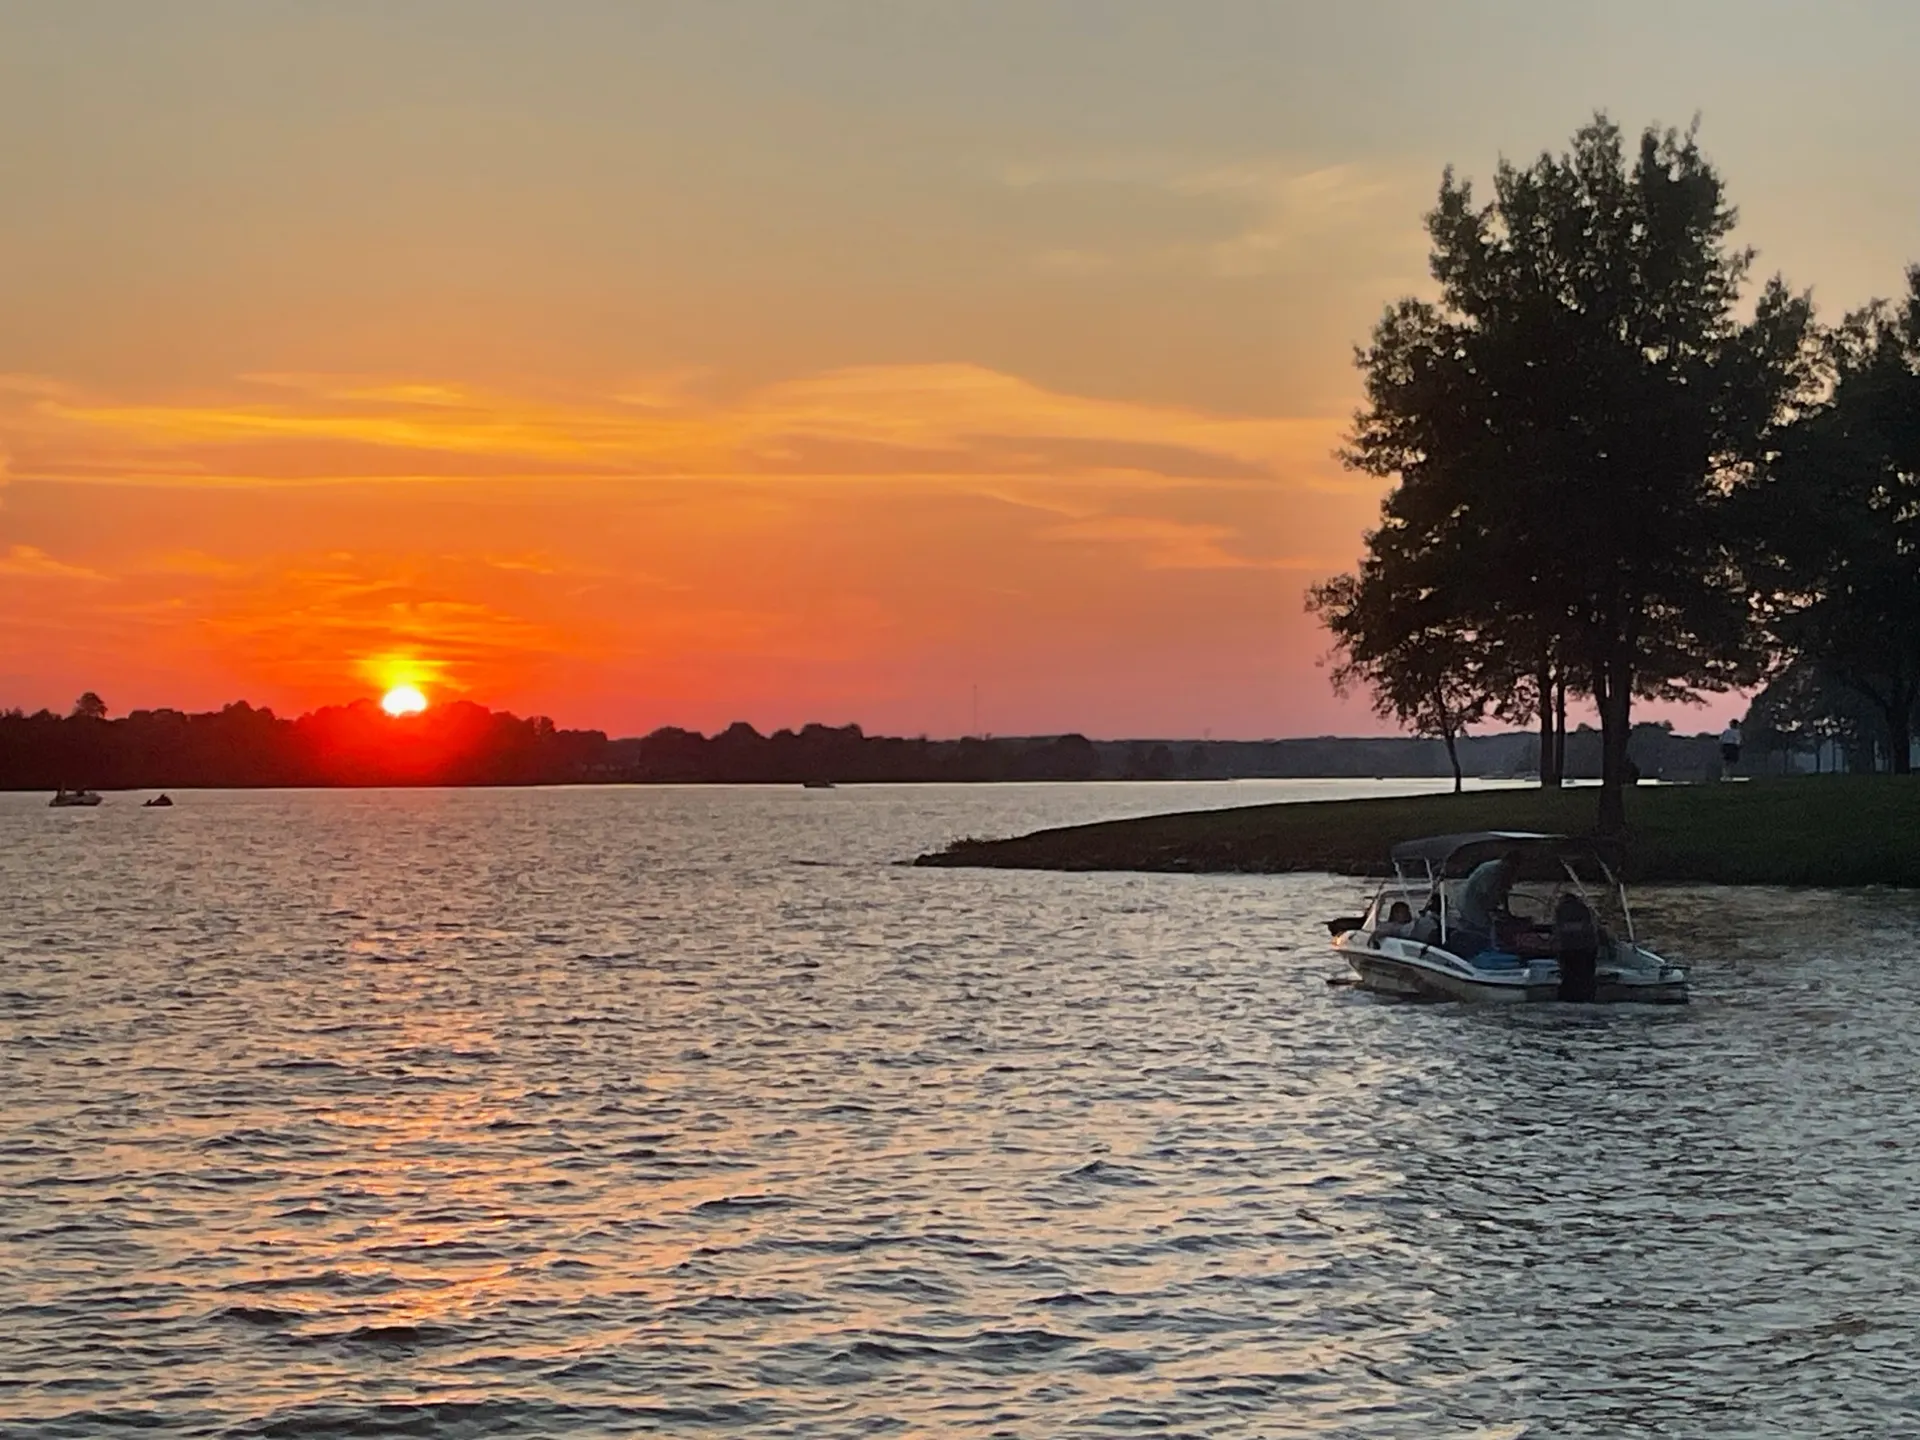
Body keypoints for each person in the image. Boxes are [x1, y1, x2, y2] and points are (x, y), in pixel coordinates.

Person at [1450, 852, 1519, 955]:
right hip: (1471, 902)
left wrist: (1507, 913)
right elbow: (1491, 892)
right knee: (1485, 927)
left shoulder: (1504, 870)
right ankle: (1488, 951)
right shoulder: (1494, 871)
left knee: (1487, 923)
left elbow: (1504, 892)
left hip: (1474, 900)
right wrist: (1497, 911)